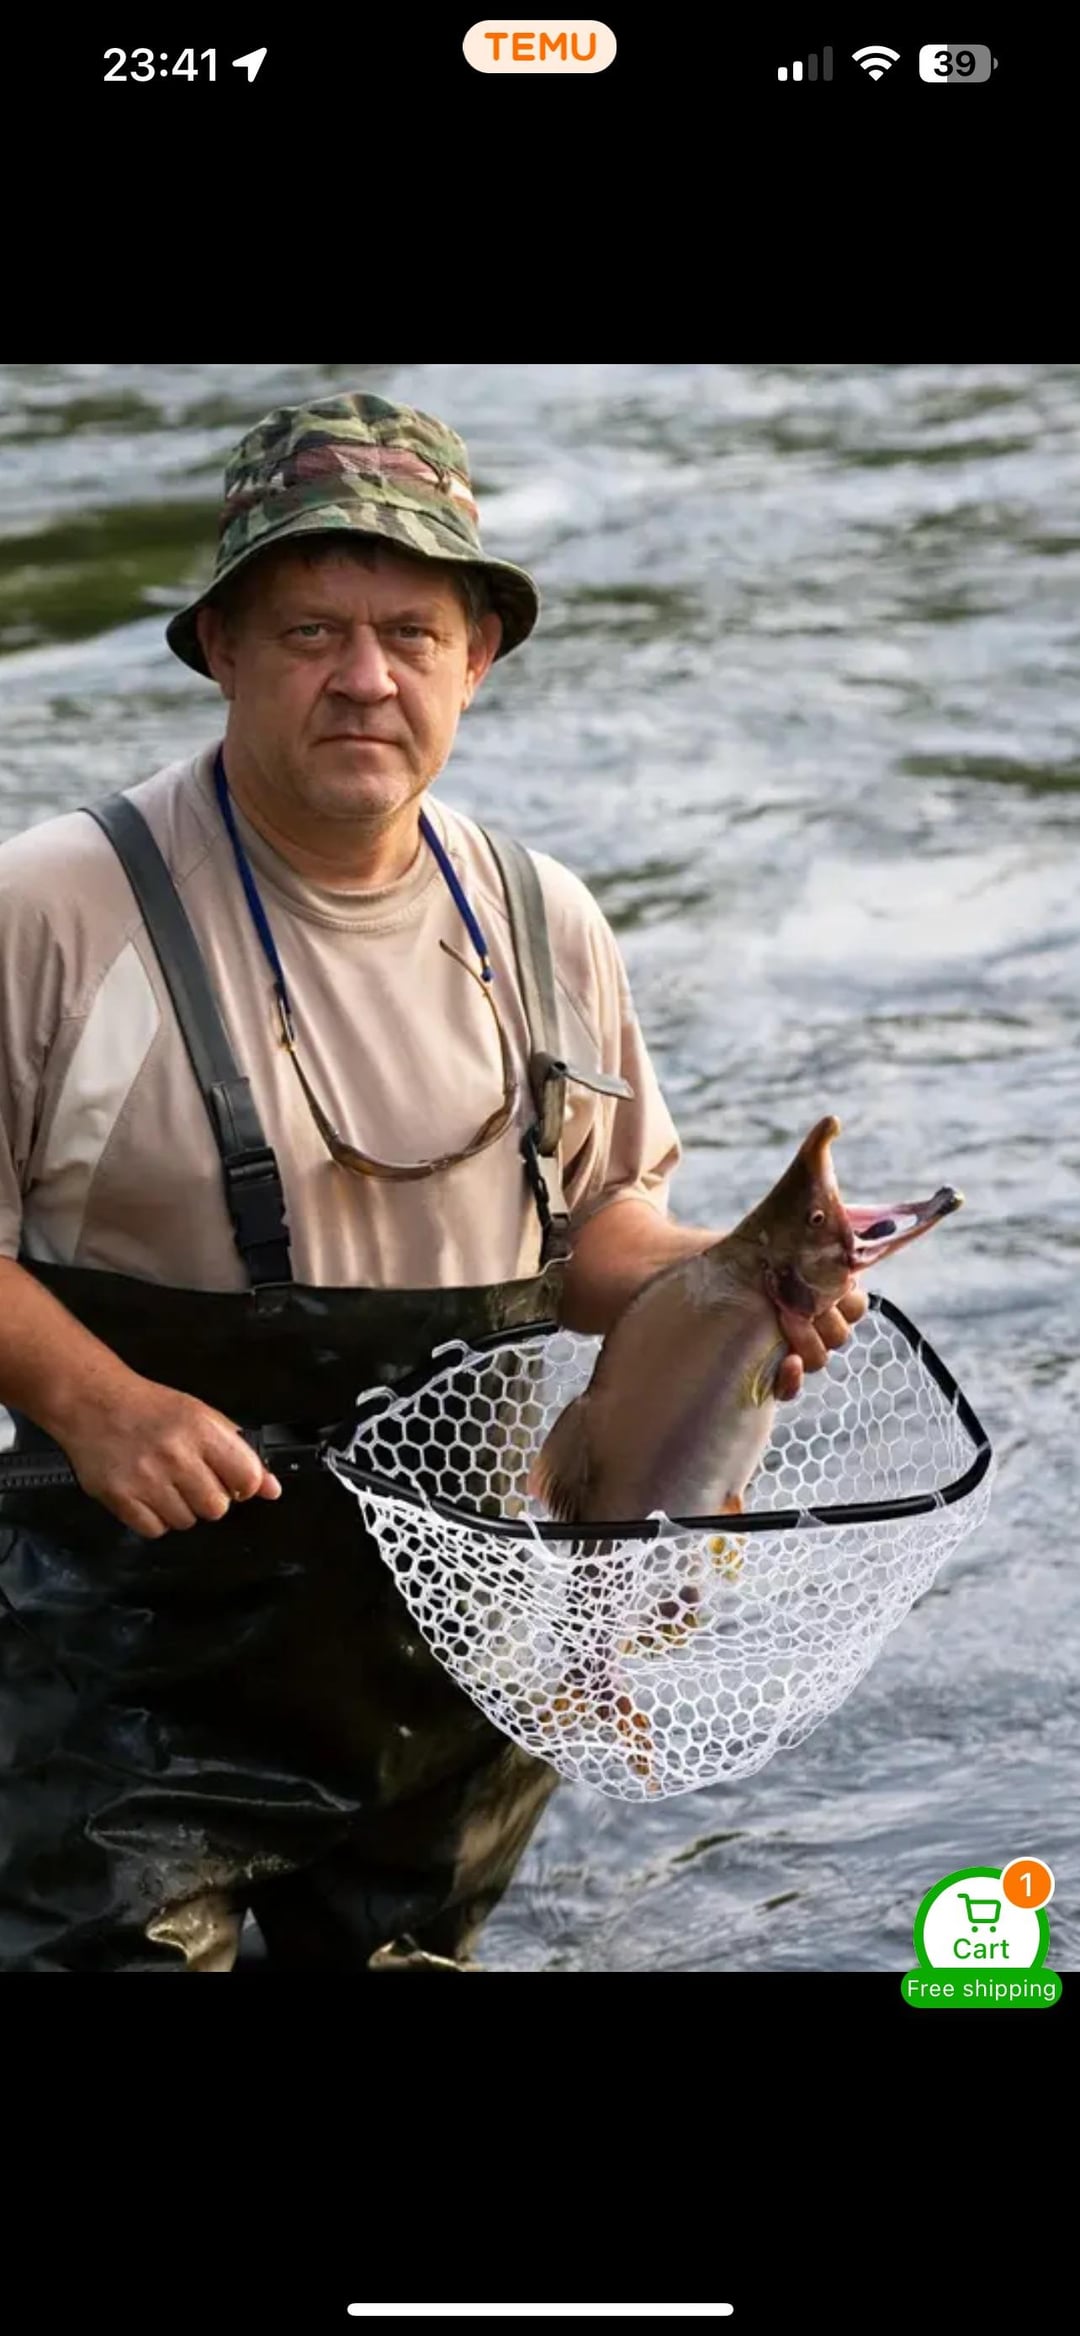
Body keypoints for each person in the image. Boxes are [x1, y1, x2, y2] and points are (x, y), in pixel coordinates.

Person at [0, 391, 865, 1973]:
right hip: (127, 1687)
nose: (364, 676)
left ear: (478, 658)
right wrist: (95, 1402)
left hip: (455, 1685)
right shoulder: (56, 906)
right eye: (311, 631)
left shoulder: (545, 922)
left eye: (410, 633)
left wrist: (744, 1288)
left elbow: (596, 1233)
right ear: (222, 651)